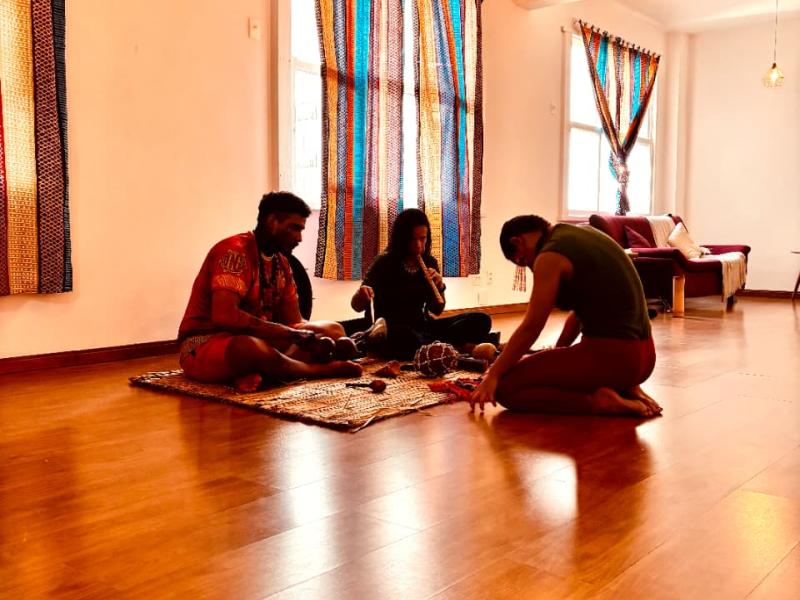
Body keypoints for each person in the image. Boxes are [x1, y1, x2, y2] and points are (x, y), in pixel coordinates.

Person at [469, 215, 662, 417]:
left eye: (523, 262)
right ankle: (625, 388)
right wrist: (559, 356)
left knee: (505, 389)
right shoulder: (579, 233)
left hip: (614, 358)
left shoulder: (550, 255)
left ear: (517, 242)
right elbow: (579, 314)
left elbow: (532, 326)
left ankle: (599, 402)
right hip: (644, 358)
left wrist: (493, 375)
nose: (530, 267)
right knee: (548, 368)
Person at [178, 192, 362, 390]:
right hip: (208, 343)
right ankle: (316, 371)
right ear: (272, 221)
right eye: (294, 228)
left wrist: (312, 338)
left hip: (262, 342)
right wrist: (289, 334)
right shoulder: (233, 252)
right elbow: (225, 316)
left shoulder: (281, 263)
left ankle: (270, 371)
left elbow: (294, 321)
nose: (299, 238)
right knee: (248, 349)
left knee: (333, 330)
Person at [351, 208, 492, 360]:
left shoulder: (430, 262)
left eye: (422, 239)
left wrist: (440, 287)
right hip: (394, 330)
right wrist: (361, 294)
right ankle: (446, 347)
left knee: (481, 320)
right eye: (412, 240)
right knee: (405, 337)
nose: (418, 245)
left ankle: (433, 348)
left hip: (423, 328)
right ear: (401, 239)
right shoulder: (384, 262)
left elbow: (436, 310)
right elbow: (356, 306)